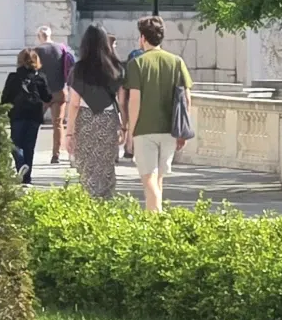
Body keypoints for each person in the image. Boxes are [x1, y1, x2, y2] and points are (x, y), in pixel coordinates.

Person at [123, 14, 193, 212]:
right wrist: (183, 129)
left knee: (148, 179)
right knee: (158, 178)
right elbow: (187, 99)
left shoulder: (137, 63)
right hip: (169, 129)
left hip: (144, 129)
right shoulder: (176, 62)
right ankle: (154, 220)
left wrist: (130, 132)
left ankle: (158, 216)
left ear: (143, 38)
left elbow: (134, 101)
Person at [63, 24, 126, 198]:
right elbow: (121, 101)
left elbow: (74, 103)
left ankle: (89, 202)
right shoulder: (117, 67)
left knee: (86, 167)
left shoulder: (79, 69)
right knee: (106, 167)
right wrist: (124, 126)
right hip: (108, 119)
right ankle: (106, 202)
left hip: (85, 119)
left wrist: (69, 133)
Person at [0, 48, 51, 181]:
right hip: (34, 115)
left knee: (15, 144)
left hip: (17, 114)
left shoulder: (13, 77)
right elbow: (47, 97)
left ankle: (21, 164)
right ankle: (27, 178)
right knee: (29, 146)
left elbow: (5, 98)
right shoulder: (40, 77)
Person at [34, 24, 76, 166]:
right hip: (59, 90)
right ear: (50, 35)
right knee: (57, 123)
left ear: (39, 36)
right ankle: (55, 155)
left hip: (42, 93)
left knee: (33, 121)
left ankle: (30, 149)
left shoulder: (37, 51)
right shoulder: (61, 48)